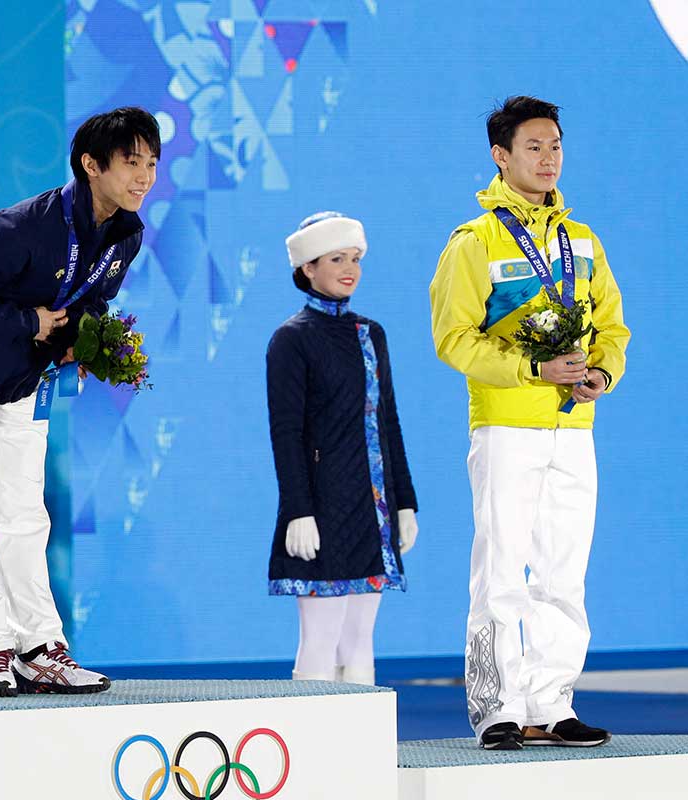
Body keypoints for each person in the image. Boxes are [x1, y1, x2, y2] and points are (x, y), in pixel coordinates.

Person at [0, 107, 159, 696]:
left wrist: (80, 343)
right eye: (131, 162)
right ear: (91, 165)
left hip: (21, 382)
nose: (144, 176)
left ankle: (40, 647)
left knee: (24, 511)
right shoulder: (18, 229)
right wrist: (30, 320)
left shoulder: (127, 233)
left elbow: (90, 301)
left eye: (151, 163)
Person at [429, 96, 630, 750]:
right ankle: (497, 709)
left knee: (564, 571)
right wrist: (530, 373)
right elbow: (453, 338)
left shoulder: (582, 241)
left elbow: (614, 328)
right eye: (534, 147)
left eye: (556, 146)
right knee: (502, 569)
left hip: (574, 429)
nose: (548, 159)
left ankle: (554, 701)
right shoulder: (475, 241)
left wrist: (602, 372)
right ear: (501, 155)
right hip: (507, 426)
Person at [266, 213, 418, 686]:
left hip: (370, 511)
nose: (350, 267)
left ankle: (359, 751)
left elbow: (387, 422)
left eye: (355, 258)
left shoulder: (371, 334)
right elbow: (286, 432)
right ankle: (309, 748)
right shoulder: (291, 340)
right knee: (320, 638)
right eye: (337, 258)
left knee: (360, 641)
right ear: (308, 267)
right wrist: (297, 511)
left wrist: (405, 502)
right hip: (322, 507)